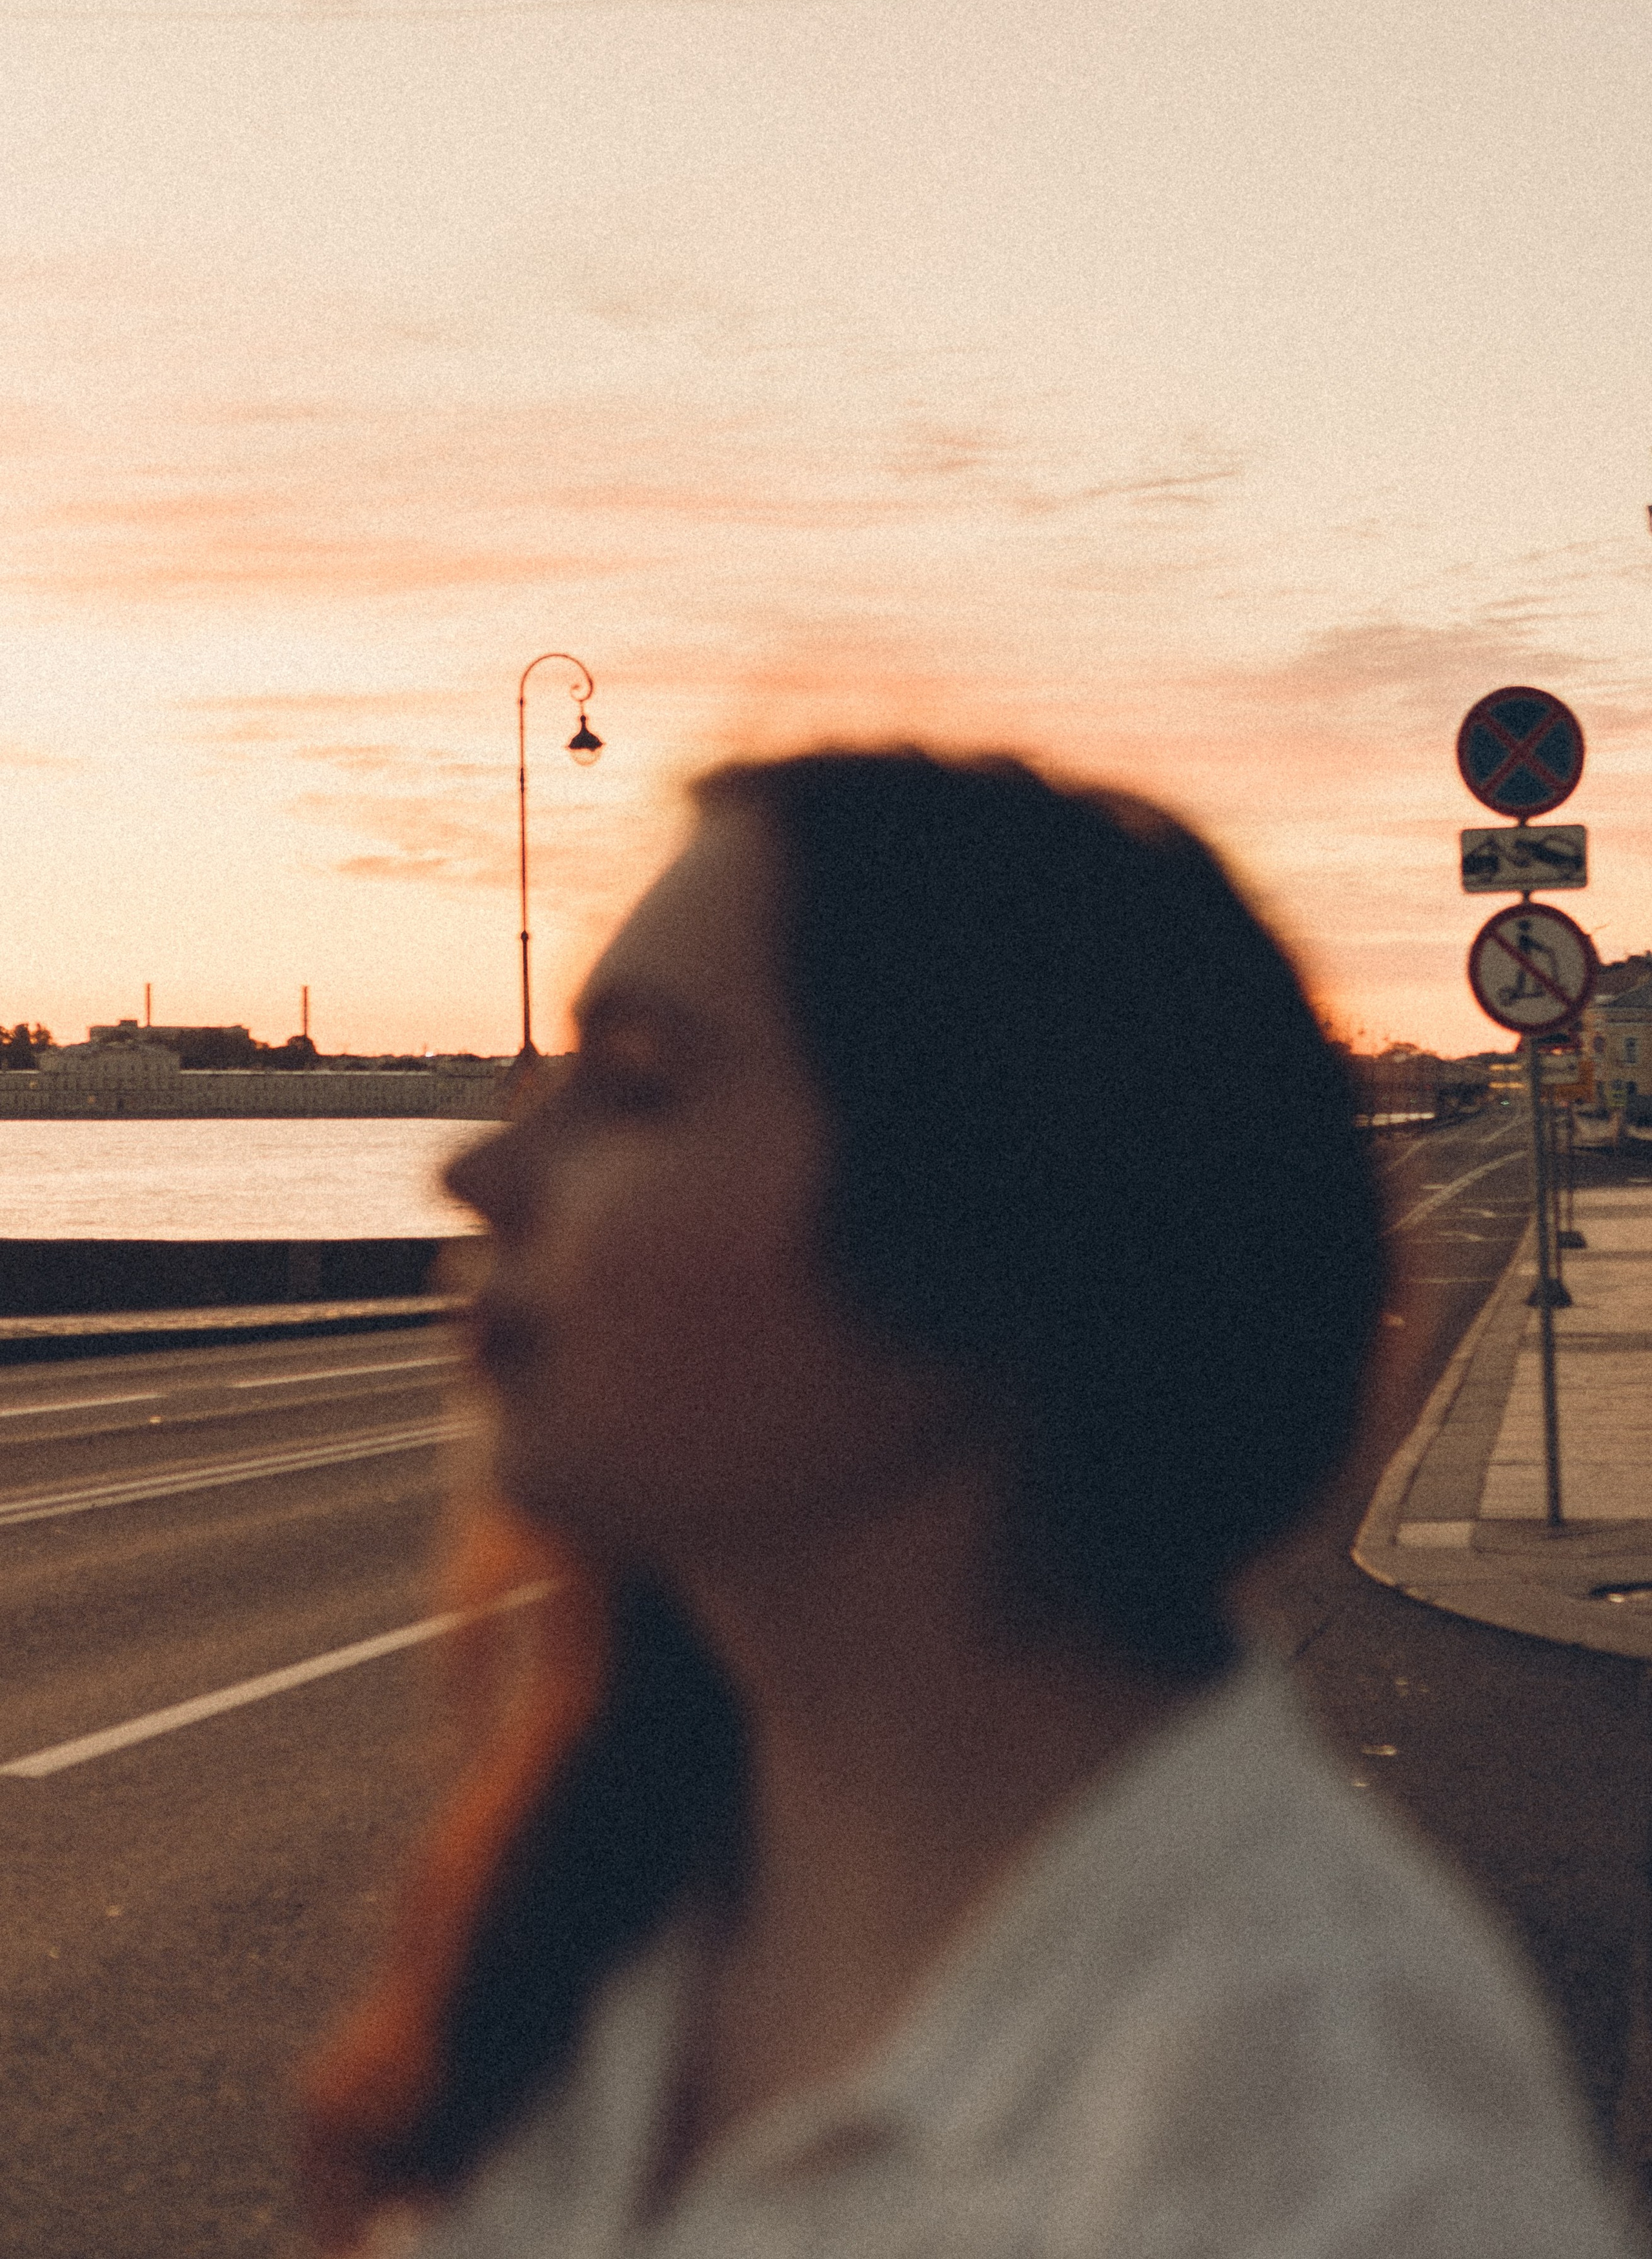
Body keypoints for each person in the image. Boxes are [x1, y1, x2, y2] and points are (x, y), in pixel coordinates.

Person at [299, 748, 1642, 2257]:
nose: (479, 1168)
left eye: (638, 1083)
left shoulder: (1328, 2147)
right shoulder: (629, 1905)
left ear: (987, 1234)